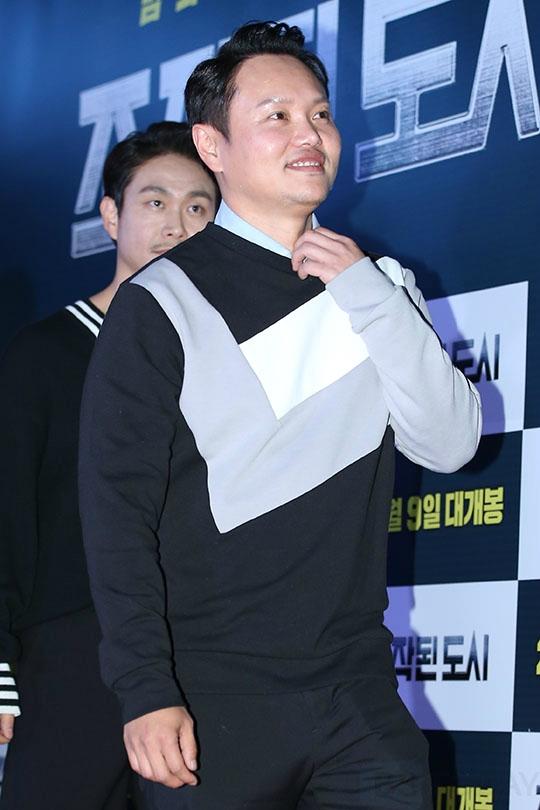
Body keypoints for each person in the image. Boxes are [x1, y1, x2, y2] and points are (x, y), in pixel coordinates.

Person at [78, 22, 482, 810]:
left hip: (357, 695)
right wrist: (145, 688)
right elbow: (116, 511)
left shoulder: (378, 284)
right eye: (277, 116)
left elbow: (451, 443)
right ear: (213, 145)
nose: (309, 134)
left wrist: (366, 293)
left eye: (320, 114)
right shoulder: (161, 300)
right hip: (209, 700)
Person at [0, 122, 218, 809]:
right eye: (155, 202)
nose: (176, 224)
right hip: (69, 653)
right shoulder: (42, 355)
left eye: (198, 206)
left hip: (200, 655)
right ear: (111, 215)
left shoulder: (229, 364)